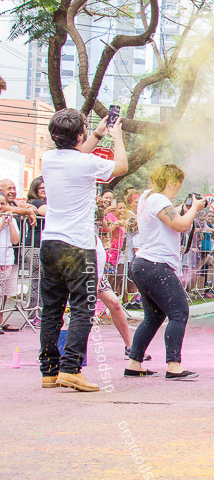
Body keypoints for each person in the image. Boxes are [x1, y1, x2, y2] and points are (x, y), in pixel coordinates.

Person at [39, 109, 126, 391]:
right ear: (79, 135)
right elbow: (121, 167)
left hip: (50, 242)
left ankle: (49, 372)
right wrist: (117, 136)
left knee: (52, 310)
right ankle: (71, 368)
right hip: (78, 246)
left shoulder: (49, 159)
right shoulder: (88, 163)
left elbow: (74, 155)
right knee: (82, 308)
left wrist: (98, 133)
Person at [125, 165, 206, 380]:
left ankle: (134, 362)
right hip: (156, 265)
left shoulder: (147, 197)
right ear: (171, 181)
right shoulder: (160, 200)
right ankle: (173, 365)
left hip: (143, 264)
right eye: (178, 183)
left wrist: (185, 206)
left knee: (153, 317)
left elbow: (166, 215)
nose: (178, 187)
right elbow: (179, 225)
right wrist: (194, 209)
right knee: (179, 312)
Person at [93, 233, 152, 363]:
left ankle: (130, 347)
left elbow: (97, 278)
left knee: (115, 304)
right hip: (76, 271)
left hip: (94, 273)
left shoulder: (97, 245)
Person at [24, 176, 46, 326]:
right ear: (35, 190)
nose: (44, 191)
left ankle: (36, 313)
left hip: (41, 245)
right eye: (41, 188)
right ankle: (33, 314)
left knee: (40, 280)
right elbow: (44, 211)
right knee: (37, 280)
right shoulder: (34, 202)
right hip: (34, 245)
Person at [0, 193, 22, 328]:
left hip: (7, 259)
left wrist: (10, 223)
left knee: (4, 293)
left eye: (3, 203)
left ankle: (1, 320)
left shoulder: (11, 219)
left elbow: (15, 240)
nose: (1, 206)